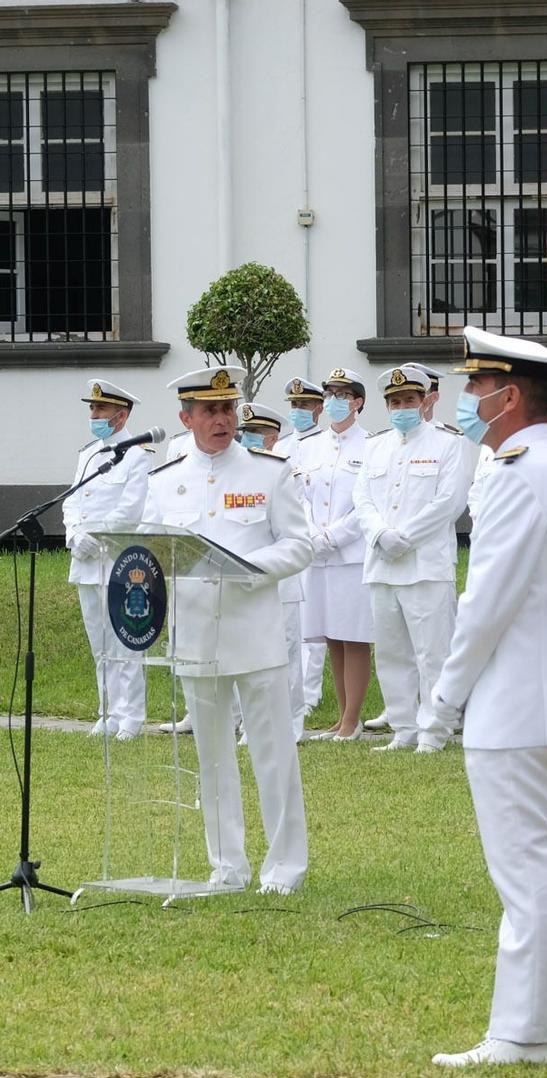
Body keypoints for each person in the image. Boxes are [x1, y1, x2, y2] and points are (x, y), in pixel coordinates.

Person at [422, 328, 547, 1067]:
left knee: (527, 871)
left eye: (476, 388)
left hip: (515, 701)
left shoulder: (519, 472)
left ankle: (523, 1032)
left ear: (509, 396)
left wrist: (442, 702)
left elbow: (486, 604)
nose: (467, 401)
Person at [143, 365, 315, 894]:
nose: (221, 419)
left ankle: (284, 867)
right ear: (185, 418)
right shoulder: (165, 479)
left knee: (273, 755)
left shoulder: (269, 472)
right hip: (196, 634)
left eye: (228, 409)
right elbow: (147, 547)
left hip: (255, 631)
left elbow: (299, 544)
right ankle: (227, 865)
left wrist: (249, 569)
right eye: (210, 411)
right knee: (212, 756)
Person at [354, 365, 471, 752]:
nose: (401, 406)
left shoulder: (447, 443)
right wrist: (380, 534)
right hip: (383, 563)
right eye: (394, 401)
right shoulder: (375, 446)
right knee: (391, 653)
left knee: (432, 652)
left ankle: (434, 730)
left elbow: (449, 502)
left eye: (408, 400)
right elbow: (362, 500)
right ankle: (402, 727)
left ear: (424, 402)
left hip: (425, 565)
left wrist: (405, 537)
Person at [64, 378, 154, 741]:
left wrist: (95, 538)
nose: (94, 415)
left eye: (100, 409)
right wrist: (73, 534)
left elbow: (131, 510)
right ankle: (108, 711)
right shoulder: (88, 454)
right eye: (92, 408)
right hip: (85, 562)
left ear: (121, 415)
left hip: (120, 561)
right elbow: (71, 499)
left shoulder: (137, 455)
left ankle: (131, 715)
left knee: (125, 639)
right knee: (99, 641)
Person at [297, 366, 375, 739]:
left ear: (358, 402)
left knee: (354, 636)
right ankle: (343, 716)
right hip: (318, 554)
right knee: (331, 636)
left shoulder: (372, 445)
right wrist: (313, 534)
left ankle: (352, 720)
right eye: (330, 395)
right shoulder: (310, 446)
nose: (335, 402)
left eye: (343, 395)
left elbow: (367, 504)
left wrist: (335, 536)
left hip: (351, 554)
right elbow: (300, 497)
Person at [238, 399, 310, 742]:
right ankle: (249, 723)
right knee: (244, 654)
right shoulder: (235, 475)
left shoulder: (285, 472)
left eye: (255, 433)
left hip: (280, 581)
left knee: (285, 655)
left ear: (272, 437)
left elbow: (295, 532)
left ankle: (292, 722)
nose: (247, 439)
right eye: (245, 433)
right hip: (240, 583)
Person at [283, 375, 329, 724]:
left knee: (311, 625)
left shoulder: (325, 444)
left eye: (305, 405)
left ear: (319, 407)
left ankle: (310, 692)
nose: (299, 411)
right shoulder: (283, 446)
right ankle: (292, 689)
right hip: (285, 542)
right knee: (289, 624)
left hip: (315, 541)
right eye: (294, 405)